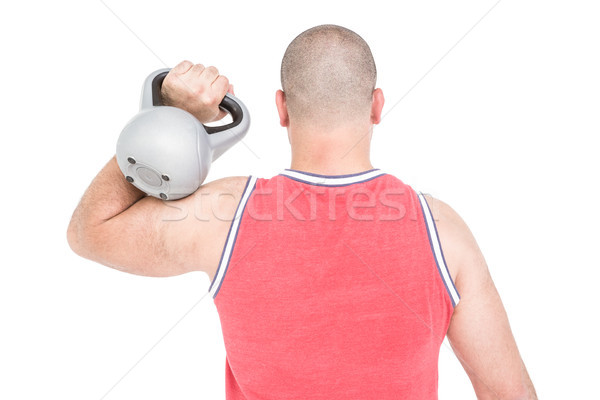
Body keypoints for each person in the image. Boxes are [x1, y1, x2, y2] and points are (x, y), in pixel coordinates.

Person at [67, 24, 536, 399]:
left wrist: (168, 119)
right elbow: (507, 393)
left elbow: (89, 230)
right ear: (376, 106)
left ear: (281, 109)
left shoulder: (225, 216)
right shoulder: (443, 231)